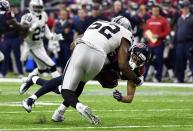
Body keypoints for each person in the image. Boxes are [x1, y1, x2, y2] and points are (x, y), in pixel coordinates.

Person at [22, 42, 151, 123]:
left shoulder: (137, 72)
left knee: (66, 89)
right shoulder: (117, 52)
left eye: (139, 61)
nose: (135, 61)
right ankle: (53, 109)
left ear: (143, 64)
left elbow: (130, 97)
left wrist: (121, 97)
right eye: (134, 57)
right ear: (130, 52)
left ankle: (34, 81)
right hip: (90, 62)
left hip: (97, 73)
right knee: (64, 86)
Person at [19, 0, 63, 90]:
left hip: (40, 45)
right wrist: (31, 28)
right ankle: (61, 86)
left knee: (41, 69)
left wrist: (52, 37)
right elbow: (22, 33)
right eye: (36, 7)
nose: (38, 10)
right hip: (32, 46)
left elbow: (44, 28)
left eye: (39, 8)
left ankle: (28, 82)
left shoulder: (44, 15)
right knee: (51, 65)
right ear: (31, 7)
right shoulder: (27, 17)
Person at [144, 4, 170, 82]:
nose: (155, 12)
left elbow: (167, 31)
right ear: (151, 11)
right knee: (146, 61)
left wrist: (158, 36)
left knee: (159, 61)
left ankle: (158, 78)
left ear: (159, 11)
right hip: (149, 44)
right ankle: (143, 77)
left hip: (159, 44)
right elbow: (145, 31)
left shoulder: (163, 20)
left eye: (157, 11)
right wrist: (146, 36)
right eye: (154, 10)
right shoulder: (148, 21)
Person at [173, 0, 193, 82]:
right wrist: (172, 42)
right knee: (179, 61)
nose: (184, 9)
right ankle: (179, 78)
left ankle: (191, 77)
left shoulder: (192, 18)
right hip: (179, 44)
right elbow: (176, 32)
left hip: (189, 43)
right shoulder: (179, 19)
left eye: (185, 7)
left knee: (191, 61)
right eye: (182, 8)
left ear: (188, 8)